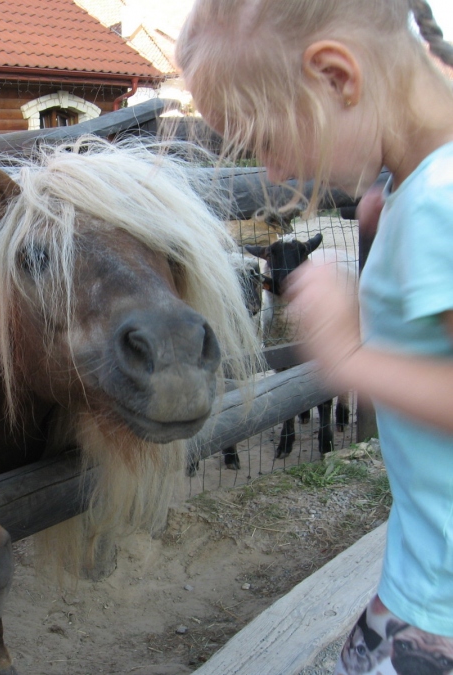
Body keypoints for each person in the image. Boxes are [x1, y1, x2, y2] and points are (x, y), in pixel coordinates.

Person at [176, 2, 453, 674]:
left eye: (265, 138)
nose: (272, 172)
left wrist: (350, 354)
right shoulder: (424, 187)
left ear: (336, 77)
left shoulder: (440, 202)